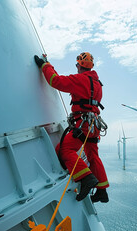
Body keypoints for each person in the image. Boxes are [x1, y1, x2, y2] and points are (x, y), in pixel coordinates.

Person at [34, 52, 109, 203]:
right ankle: (102, 191)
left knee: (65, 150)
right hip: (93, 126)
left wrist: (45, 66)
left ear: (80, 66)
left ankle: (86, 178)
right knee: (93, 156)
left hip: (83, 125)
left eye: (77, 65)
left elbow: (56, 81)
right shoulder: (97, 83)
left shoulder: (81, 79)